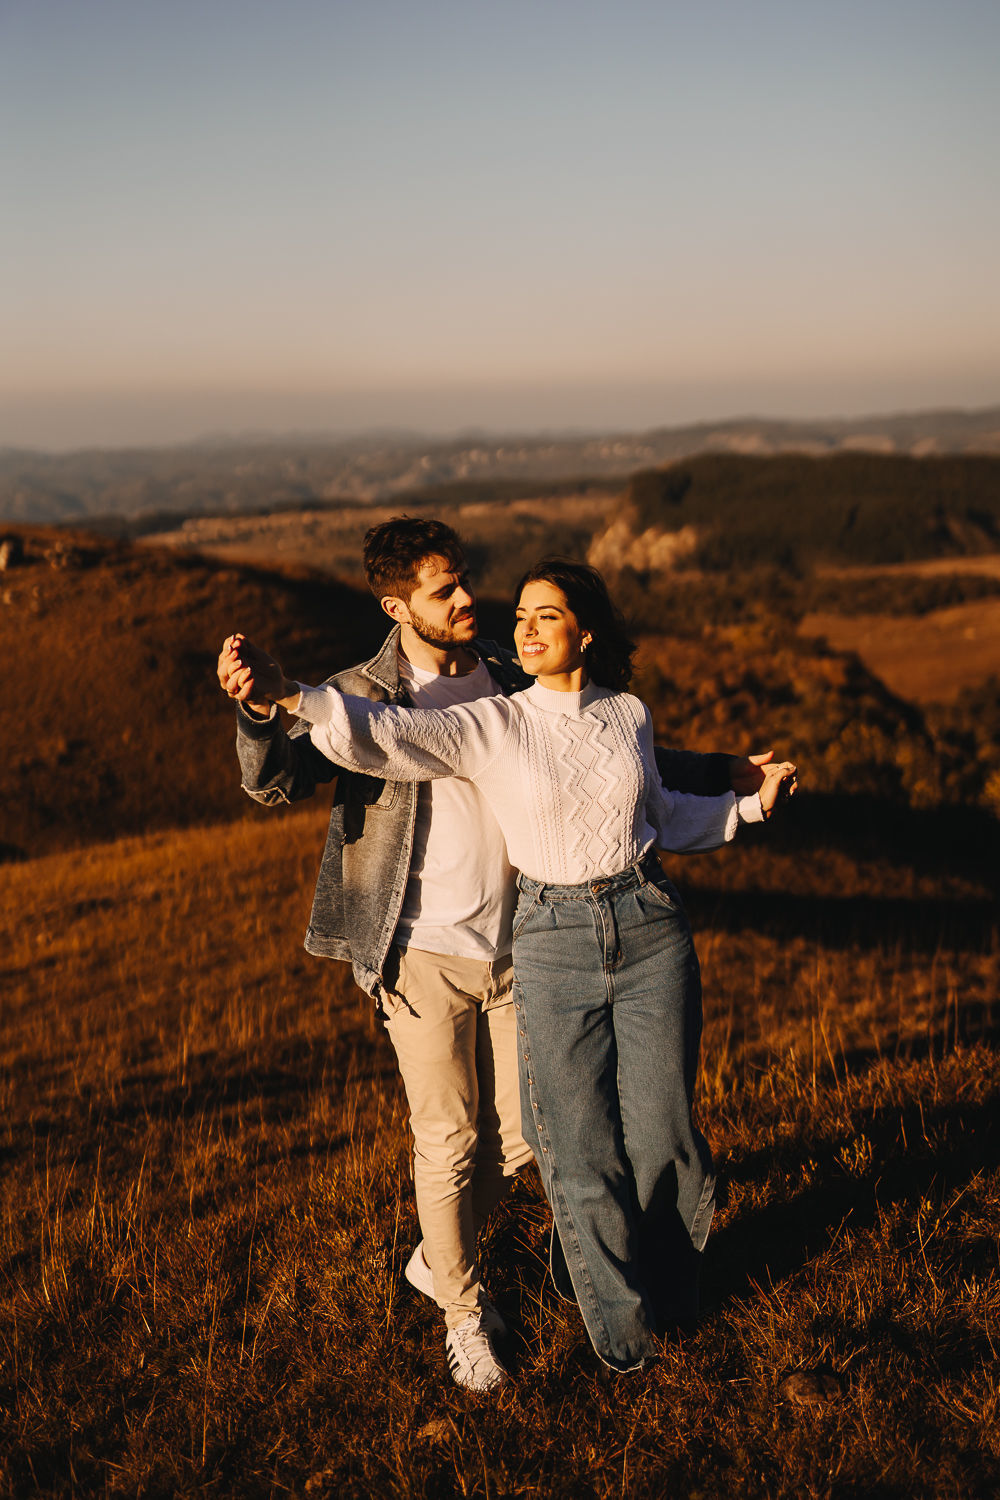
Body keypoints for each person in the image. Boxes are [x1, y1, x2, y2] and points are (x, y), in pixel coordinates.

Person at [223, 552, 797, 1376]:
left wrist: (744, 802)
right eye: (517, 613)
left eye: (546, 615)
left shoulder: (615, 709)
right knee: (542, 1141)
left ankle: (667, 1288)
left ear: (586, 632)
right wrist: (283, 696)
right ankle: (608, 1334)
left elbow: (658, 804)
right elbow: (382, 735)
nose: (518, 625)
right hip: (521, 940)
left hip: (641, 921)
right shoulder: (488, 717)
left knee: (652, 1134)